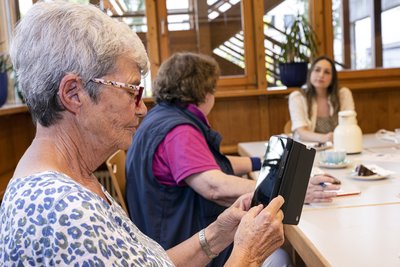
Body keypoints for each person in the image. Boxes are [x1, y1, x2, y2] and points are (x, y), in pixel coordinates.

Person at [0, 2, 285, 266]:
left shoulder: (75, 183)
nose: (143, 110)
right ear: (74, 94)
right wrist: (248, 254)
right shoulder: (59, 208)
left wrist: (219, 232)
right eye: (132, 91)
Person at [125, 53, 340, 266]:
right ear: (206, 93)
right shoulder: (179, 132)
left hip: (164, 234)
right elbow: (215, 186)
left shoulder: (162, 117)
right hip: (180, 245)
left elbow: (209, 163)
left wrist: (261, 163)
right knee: (279, 257)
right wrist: (290, 191)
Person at [288, 56, 355, 143]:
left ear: (333, 78)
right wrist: (325, 138)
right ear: (310, 73)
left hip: (339, 146)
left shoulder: (343, 94)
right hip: (308, 148)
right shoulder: (297, 97)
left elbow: (351, 124)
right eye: (317, 70)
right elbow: (301, 132)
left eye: (327, 72)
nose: (321, 75)